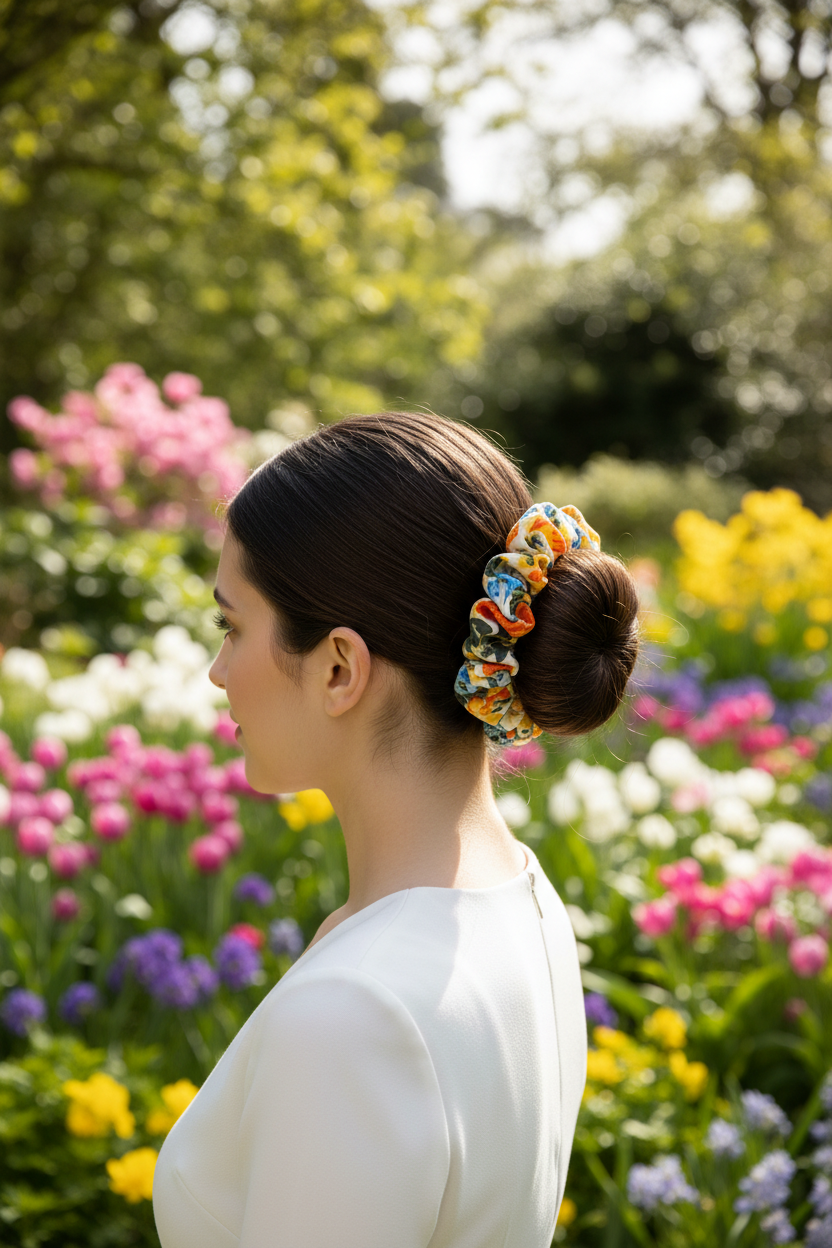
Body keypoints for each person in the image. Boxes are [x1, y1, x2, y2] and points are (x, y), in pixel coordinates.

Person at [152, 410, 639, 1248]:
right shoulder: (521, 897)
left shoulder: (354, 1014)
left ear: (339, 667)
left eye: (233, 627)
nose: (217, 670)